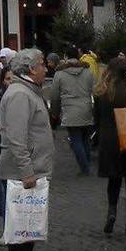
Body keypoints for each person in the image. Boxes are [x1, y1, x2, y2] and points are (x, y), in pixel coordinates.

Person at [0, 48, 54, 251]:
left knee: (29, 223)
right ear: (31, 69)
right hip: (24, 172)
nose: (46, 68)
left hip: (32, 168)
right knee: (22, 224)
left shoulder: (28, 90)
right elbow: (16, 138)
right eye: (42, 64)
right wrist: (27, 171)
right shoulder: (20, 94)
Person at [94, 54, 126, 236]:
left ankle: (112, 210)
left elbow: (97, 118)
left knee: (114, 180)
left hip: (109, 141)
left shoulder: (102, 91)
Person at [48, 46, 96, 176]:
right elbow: (95, 90)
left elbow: (54, 96)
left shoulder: (60, 74)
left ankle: (85, 167)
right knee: (85, 138)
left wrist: (54, 113)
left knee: (76, 140)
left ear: (66, 57)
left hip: (69, 110)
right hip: (86, 108)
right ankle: (87, 163)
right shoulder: (87, 71)